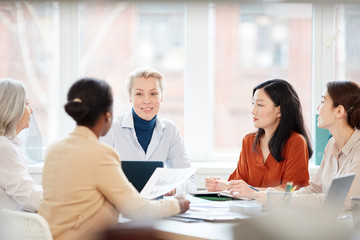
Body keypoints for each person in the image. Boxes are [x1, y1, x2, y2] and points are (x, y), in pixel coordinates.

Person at [38, 78, 190, 240]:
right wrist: (177, 204)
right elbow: (135, 209)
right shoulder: (100, 153)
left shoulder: (53, 149)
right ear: (107, 115)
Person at [254, 80, 360, 210]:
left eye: (322, 101)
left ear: (339, 111)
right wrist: (281, 196)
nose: (317, 108)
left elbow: (340, 200)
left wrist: (282, 199)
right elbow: (315, 188)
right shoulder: (332, 143)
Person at [205, 79, 313, 198]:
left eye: (260, 105)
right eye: (253, 103)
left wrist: (252, 192)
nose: (253, 111)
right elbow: (240, 184)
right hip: (248, 212)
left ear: (279, 111)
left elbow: (293, 191)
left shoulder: (296, 142)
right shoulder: (249, 141)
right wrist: (220, 185)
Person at [101, 67, 197, 195]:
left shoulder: (170, 130)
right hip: (120, 208)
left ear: (161, 96)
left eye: (153, 93)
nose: (147, 100)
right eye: (139, 94)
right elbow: (98, 177)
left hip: (157, 209)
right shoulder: (111, 129)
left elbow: (190, 182)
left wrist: (174, 189)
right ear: (130, 96)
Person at [0, 78, 43, 212]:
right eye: (27, 104)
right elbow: (31, 200)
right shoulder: (4, 148)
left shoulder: (9, 145)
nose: (31, 111)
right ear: (13, 107)